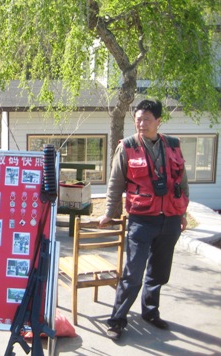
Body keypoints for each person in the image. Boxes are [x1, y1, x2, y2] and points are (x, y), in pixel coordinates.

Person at [98, 99, 189, 340]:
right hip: (141, 219)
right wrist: (109, 212)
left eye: (147, 119)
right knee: (133, 273)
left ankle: (150, 312)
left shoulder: (172, 145)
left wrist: (182, 213)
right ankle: (117, 320)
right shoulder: (127, 146)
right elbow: (115, 183)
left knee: (159, 273)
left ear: (158, 121)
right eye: (138, 119)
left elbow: (182, 181)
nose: (141, 123)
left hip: (170, 219)